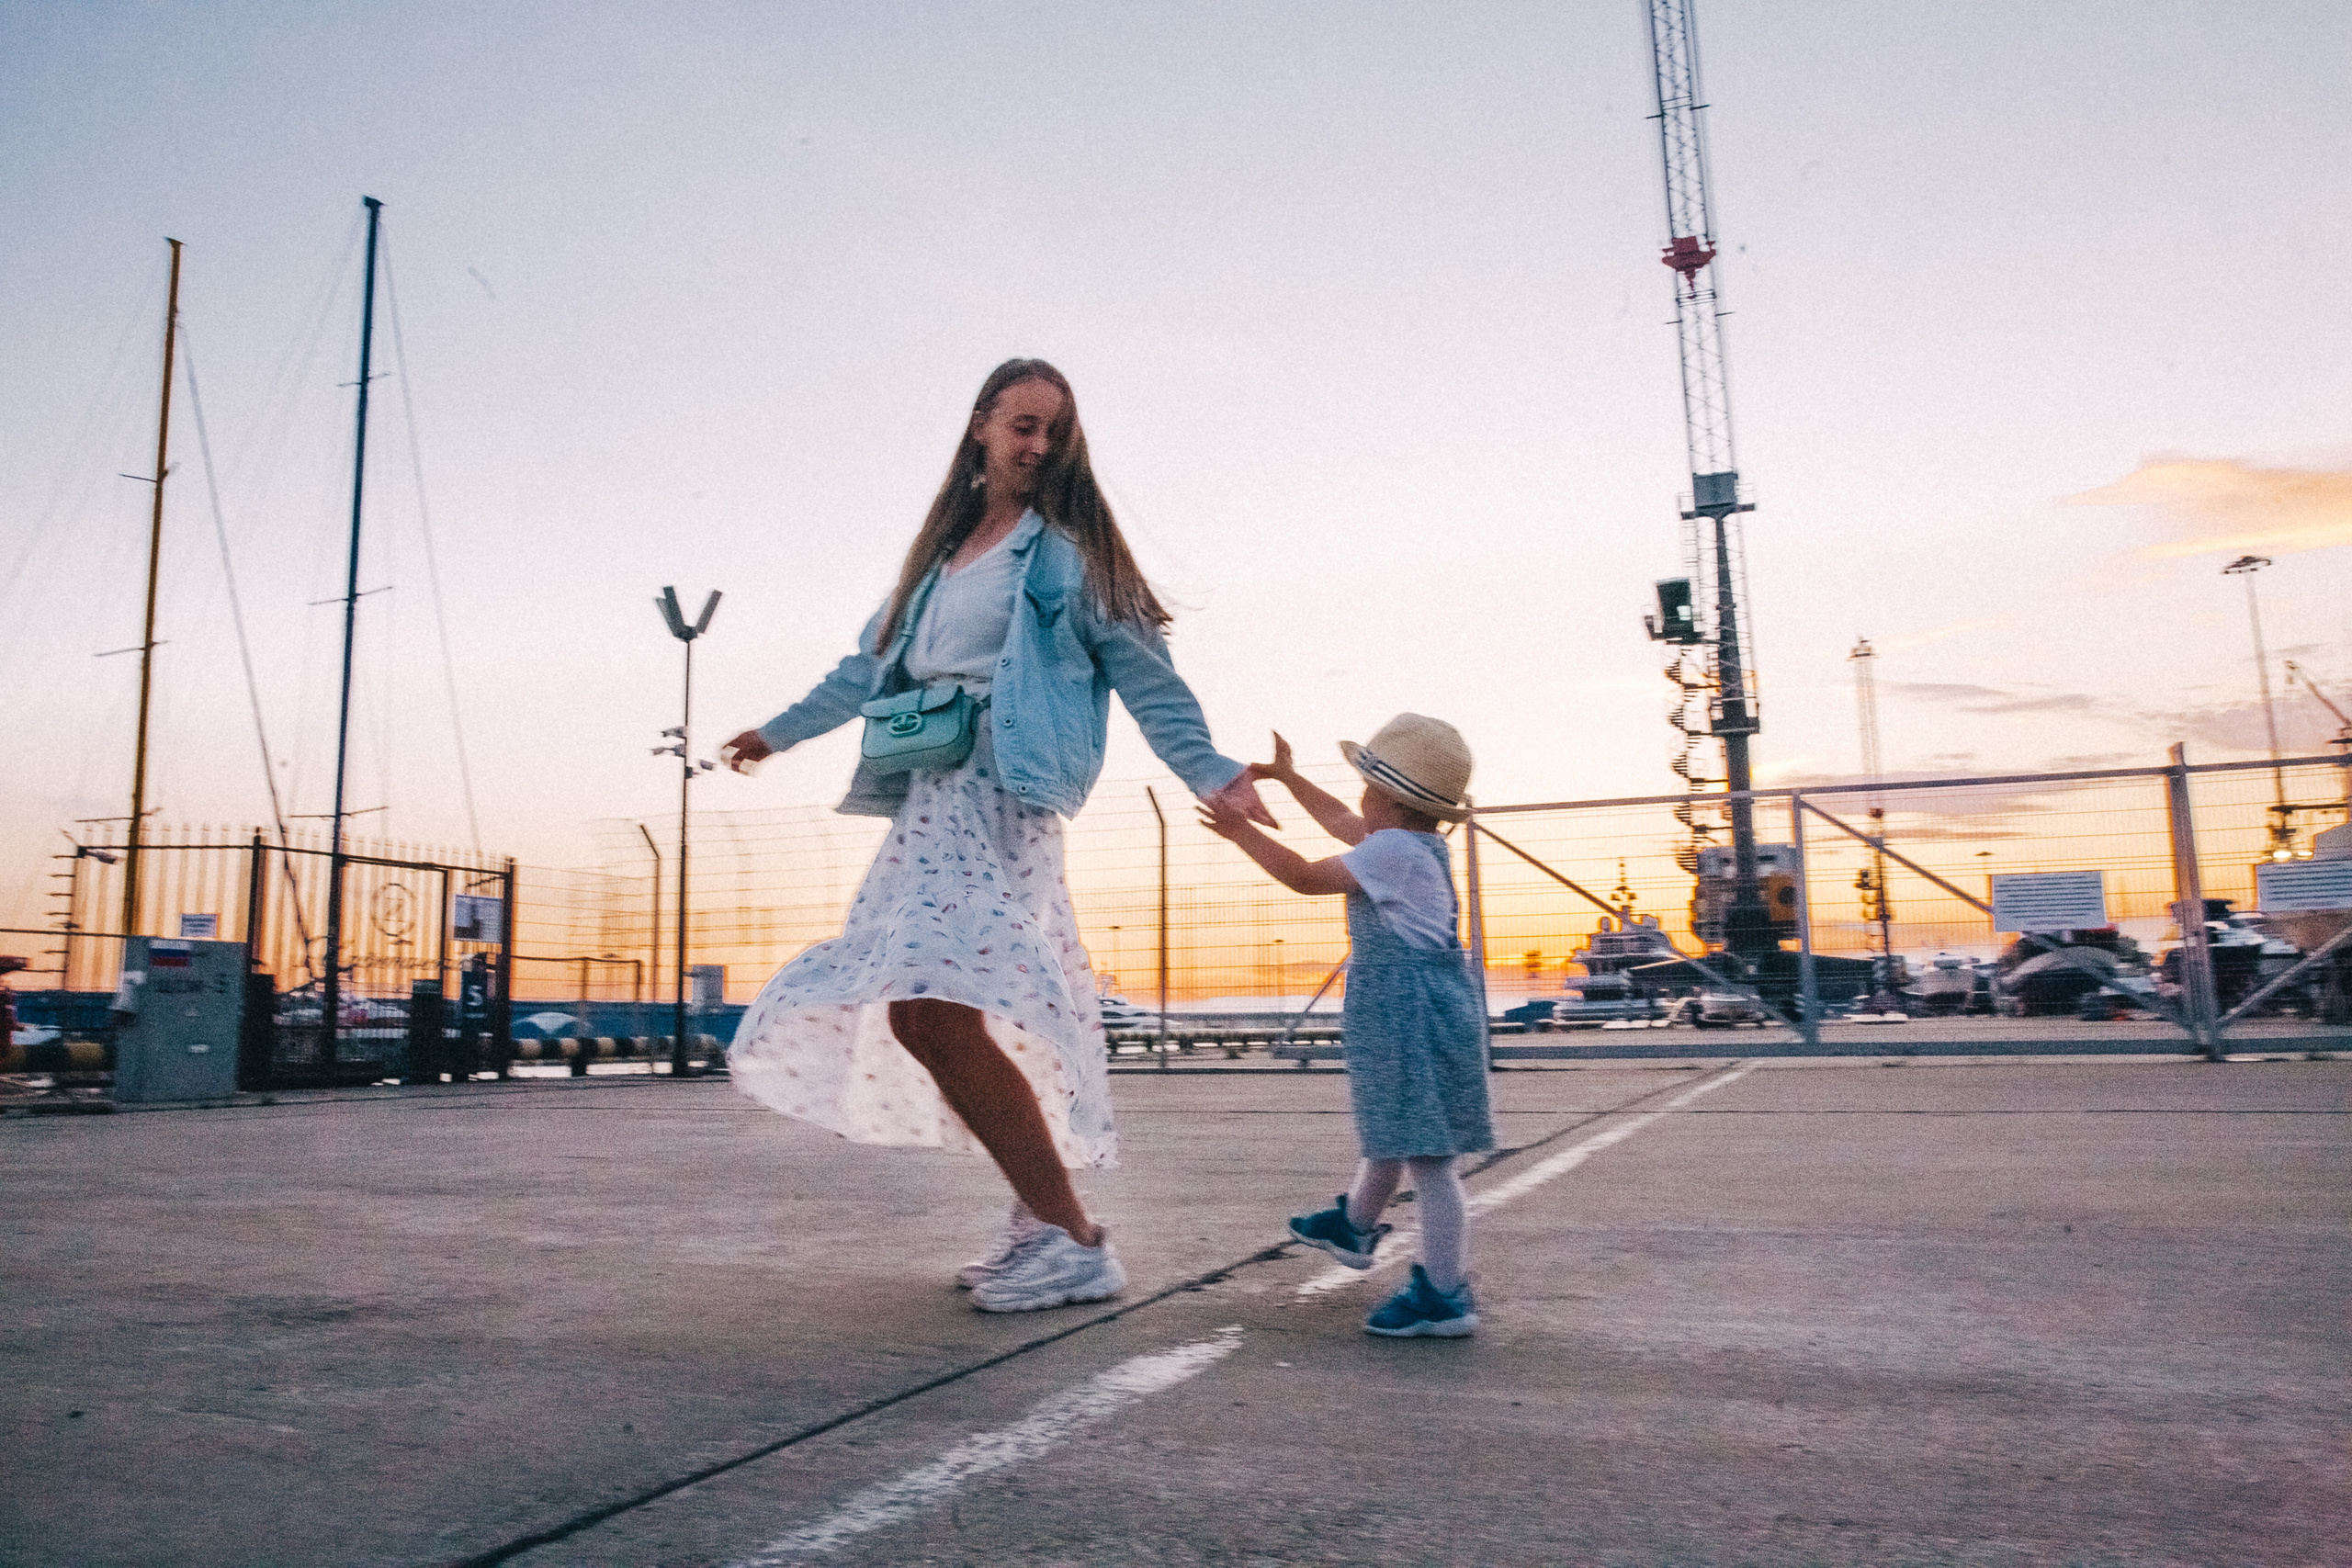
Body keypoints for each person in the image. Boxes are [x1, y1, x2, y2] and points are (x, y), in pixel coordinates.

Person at [719, 358, 1272, 1314]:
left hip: (999, 799)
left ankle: (1073, 1238)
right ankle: (1041, 1217)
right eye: (1022, 424)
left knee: (935, 1007)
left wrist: (1213, 773)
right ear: (980, 427)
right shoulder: (934, 565)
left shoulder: (1065, 556)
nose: (1037, 445)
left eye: (1052, 430)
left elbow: (1147, 675)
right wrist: (776, 733)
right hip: (931, 804)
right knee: (921, 1012)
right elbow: (860, 674)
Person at [1198, 716, 1493, 1337]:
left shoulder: (1390, 852)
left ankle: (1444, 1295)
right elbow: (1336, 821)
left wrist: (1239, 831)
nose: (1357, 797)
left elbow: (1306, 877)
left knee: (1430, 1159)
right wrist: (1287, 778)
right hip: (1410, 1009)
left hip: (1408, 1013)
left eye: (1364, 786)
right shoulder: (1409, 846)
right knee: (1395, 1129)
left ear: (1385, 797)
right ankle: (1354, 1228)